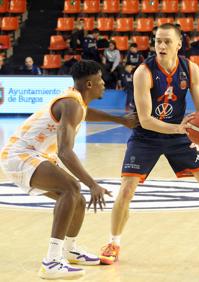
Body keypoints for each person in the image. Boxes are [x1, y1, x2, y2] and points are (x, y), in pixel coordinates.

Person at [0, 60, 138, 279]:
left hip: (34, 155)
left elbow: (86, 113)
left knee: (77, 200)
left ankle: (70, 250)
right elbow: (65, 152)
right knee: (72, 188)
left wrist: (119, 120)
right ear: (90, 84)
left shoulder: (76, 102)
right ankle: (52, 262)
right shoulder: (72, 104)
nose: (104, 83)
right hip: (20, 154)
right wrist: (93, 184)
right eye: (100, 79)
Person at [100, 23, 199, 265]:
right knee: (126, 189)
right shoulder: (143, 72)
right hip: (147, 136)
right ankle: (114, 242)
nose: (161, 45)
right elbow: (145, 119)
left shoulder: (191, 68)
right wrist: (180, 128)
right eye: (157, 41)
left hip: (180, 134)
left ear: (179, 44)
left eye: (167, 41)